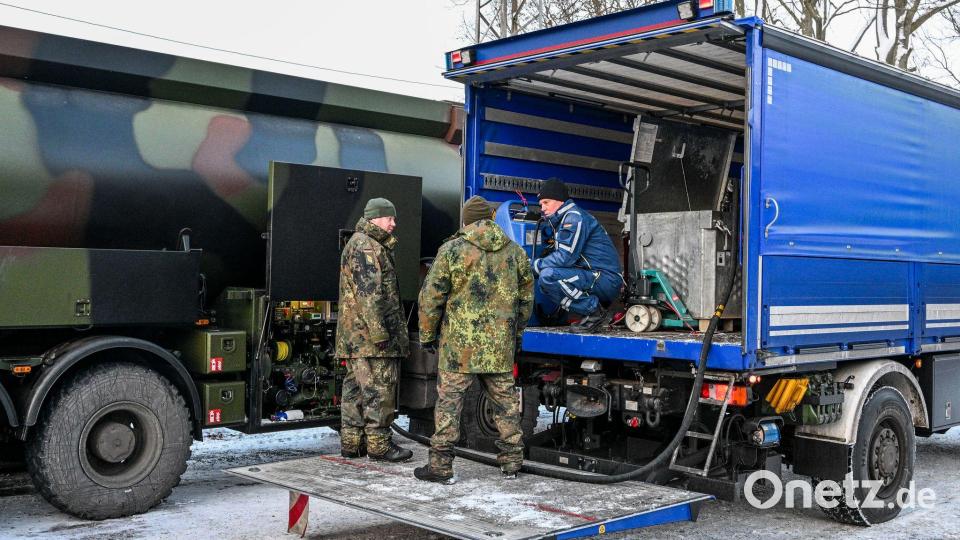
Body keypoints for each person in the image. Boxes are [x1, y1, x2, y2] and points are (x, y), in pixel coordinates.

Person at [414, 195, 534, 483]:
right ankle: (512, 464)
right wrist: (515, 337)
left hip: (459, 348)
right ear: (491, 219)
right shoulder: (515, 252)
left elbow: (431, 297)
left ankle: (441, 467)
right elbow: (526, 300)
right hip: (498, 347)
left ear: (465, 221)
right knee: (505, 405)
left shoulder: (451, 250)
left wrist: (428, 335)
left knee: (448, 407)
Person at [335, 197, 413, 463]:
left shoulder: (361, 244)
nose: (394, 223)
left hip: (358, 338)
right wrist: (381, 335)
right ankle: (379, 446)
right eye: (389, 218)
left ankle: (352, 444)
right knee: (379, 390)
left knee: (356, 390)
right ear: (375, 218)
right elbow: (370, 296)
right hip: (370, 339)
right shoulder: (367, 247)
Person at [533, 178, 623, 332]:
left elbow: (565, 257)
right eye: (541, 204)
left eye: (546, 202)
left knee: (548, 276)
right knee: (546, 279)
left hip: (605, 279)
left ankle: (595, 313)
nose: (542, 208)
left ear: (559, 200)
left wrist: (535, 265)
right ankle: (592, 313)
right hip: (596, 276)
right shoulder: (564, 219)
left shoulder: (573, 217)